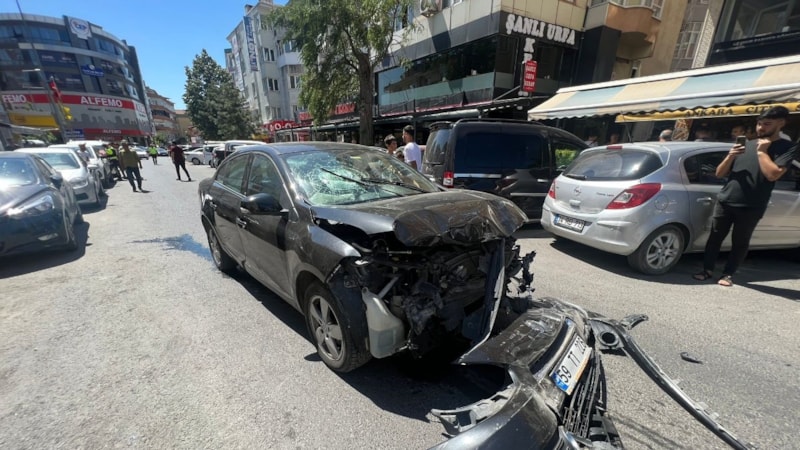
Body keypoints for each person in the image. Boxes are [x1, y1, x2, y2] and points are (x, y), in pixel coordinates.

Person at [693, 106, 794, 287]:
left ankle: (728, 274)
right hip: (726, 199)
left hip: (752, 204)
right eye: (759, 124)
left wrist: (762, 152)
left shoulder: (786, 147)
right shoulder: (746, 144)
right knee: (715, 237)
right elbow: (719, 173)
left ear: (781, 123)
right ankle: (706, 269)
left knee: (740, 241)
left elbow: (773, 174)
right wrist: (730, 156)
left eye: (766, 124)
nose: (761, 128)